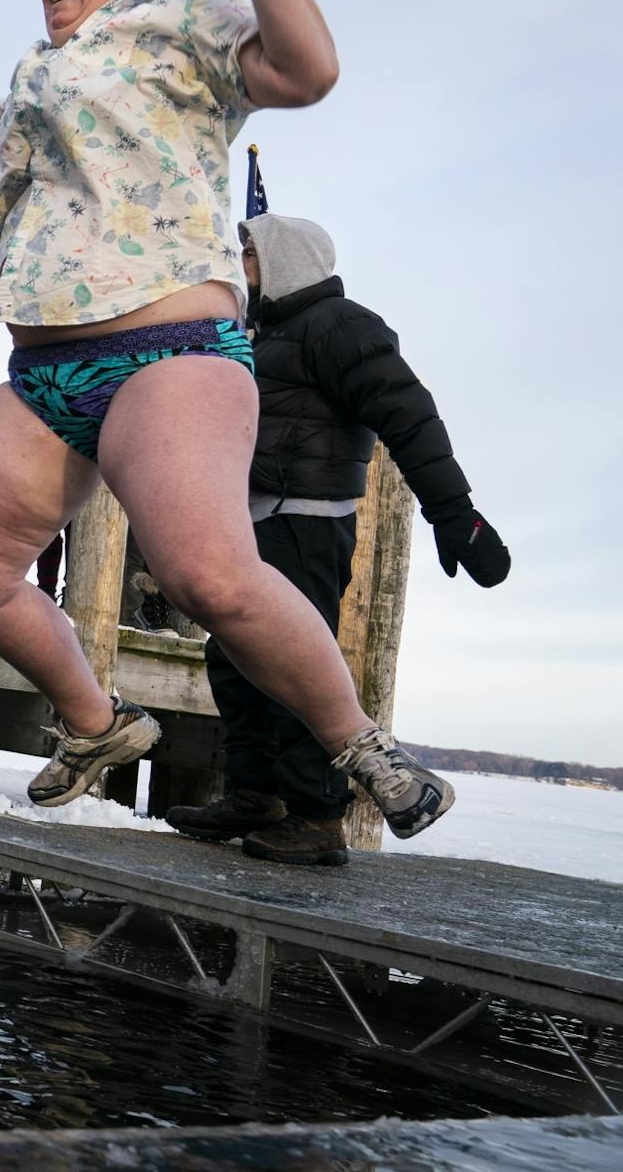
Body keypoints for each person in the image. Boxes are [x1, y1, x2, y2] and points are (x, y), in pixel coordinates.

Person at [0, 0, 457, 840]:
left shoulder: (178, 25)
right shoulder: (40, 70)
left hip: (168, 350)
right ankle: (97, 723)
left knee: (207, 571)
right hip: (46, 369)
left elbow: (309, 68)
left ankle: (362, 744)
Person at [167, 214, 509, 864]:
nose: (241, 262)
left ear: (285, 257)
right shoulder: (261, 333)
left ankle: (317, 815)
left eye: (249, 251)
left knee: (293, 659)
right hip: (254, 519)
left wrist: (453, 512)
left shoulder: (340, 325)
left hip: (308, 519)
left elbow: (408, 415)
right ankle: (257, 793)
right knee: (234, 660)